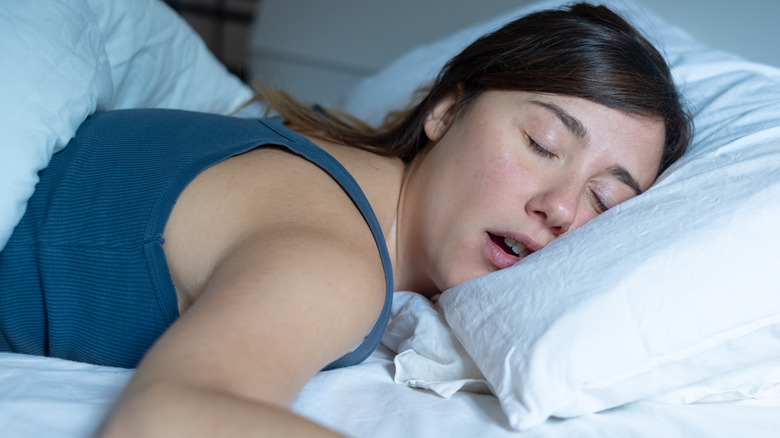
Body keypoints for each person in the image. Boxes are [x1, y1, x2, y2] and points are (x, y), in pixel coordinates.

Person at [0, 3, 691, 436]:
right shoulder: (335, 260)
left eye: (605, 200)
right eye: (542, 144)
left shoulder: (329, 157)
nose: (562, 207)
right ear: (447, 111)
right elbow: (163, 419)